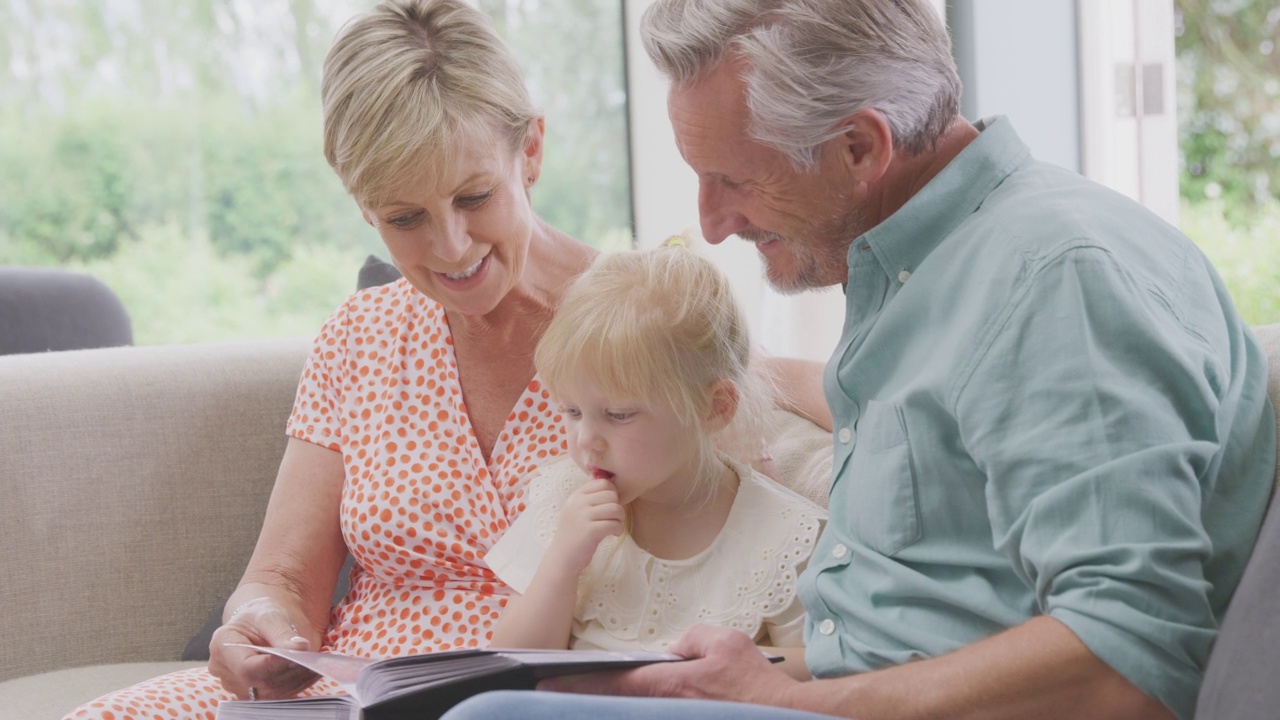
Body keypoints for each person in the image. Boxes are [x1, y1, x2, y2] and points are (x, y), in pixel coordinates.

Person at [437, 1, 1278, 720]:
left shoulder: (1057, 281)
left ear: (860, 149)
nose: (711, 223)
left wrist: (787, 703)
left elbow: (1125, 657)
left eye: (733, 179)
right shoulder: (925, 271)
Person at [63, 0, 599, 718]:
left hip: (550, 696)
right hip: (353, 693)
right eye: (404, 218)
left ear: (530, 150)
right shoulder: (359, 334)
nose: (450, 246)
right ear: (360, 201)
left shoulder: (643, 317)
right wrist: (257, 625)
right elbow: (283, 577)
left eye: (474, 197)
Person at [485, 247, 825, 680]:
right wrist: (561, 563)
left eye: (619, 415)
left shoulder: (785, 538)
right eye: (571, 411)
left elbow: (826, 669)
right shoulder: (563, 503)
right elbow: (509, 665)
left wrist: (728, 666)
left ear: (715, 407)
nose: (586, 440)